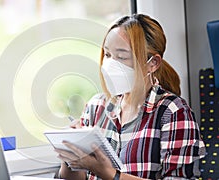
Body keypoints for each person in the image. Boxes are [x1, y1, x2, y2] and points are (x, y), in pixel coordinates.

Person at [54, 14, 206, 179]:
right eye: (107, 55)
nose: (110, 65)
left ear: (152, 64)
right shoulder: (96, 107)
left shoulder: (173, 112)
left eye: (121, 57)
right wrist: (70, 154)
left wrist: (109, 174)